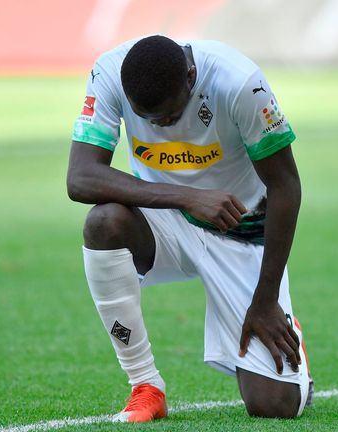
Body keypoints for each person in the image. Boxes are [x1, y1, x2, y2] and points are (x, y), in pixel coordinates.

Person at [66, 35, 312, 422]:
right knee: (103, 223)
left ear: (191, 77)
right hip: (165, 221)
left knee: (273, 406)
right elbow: (80, 178)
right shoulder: (109, 73)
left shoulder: (240, 82)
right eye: (146, 118)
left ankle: (285, 320)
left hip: (240, 229)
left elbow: (286, 186)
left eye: (167, 116)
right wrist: (186, 197)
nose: (158, 126)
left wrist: (265, 300)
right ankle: (145, 385)